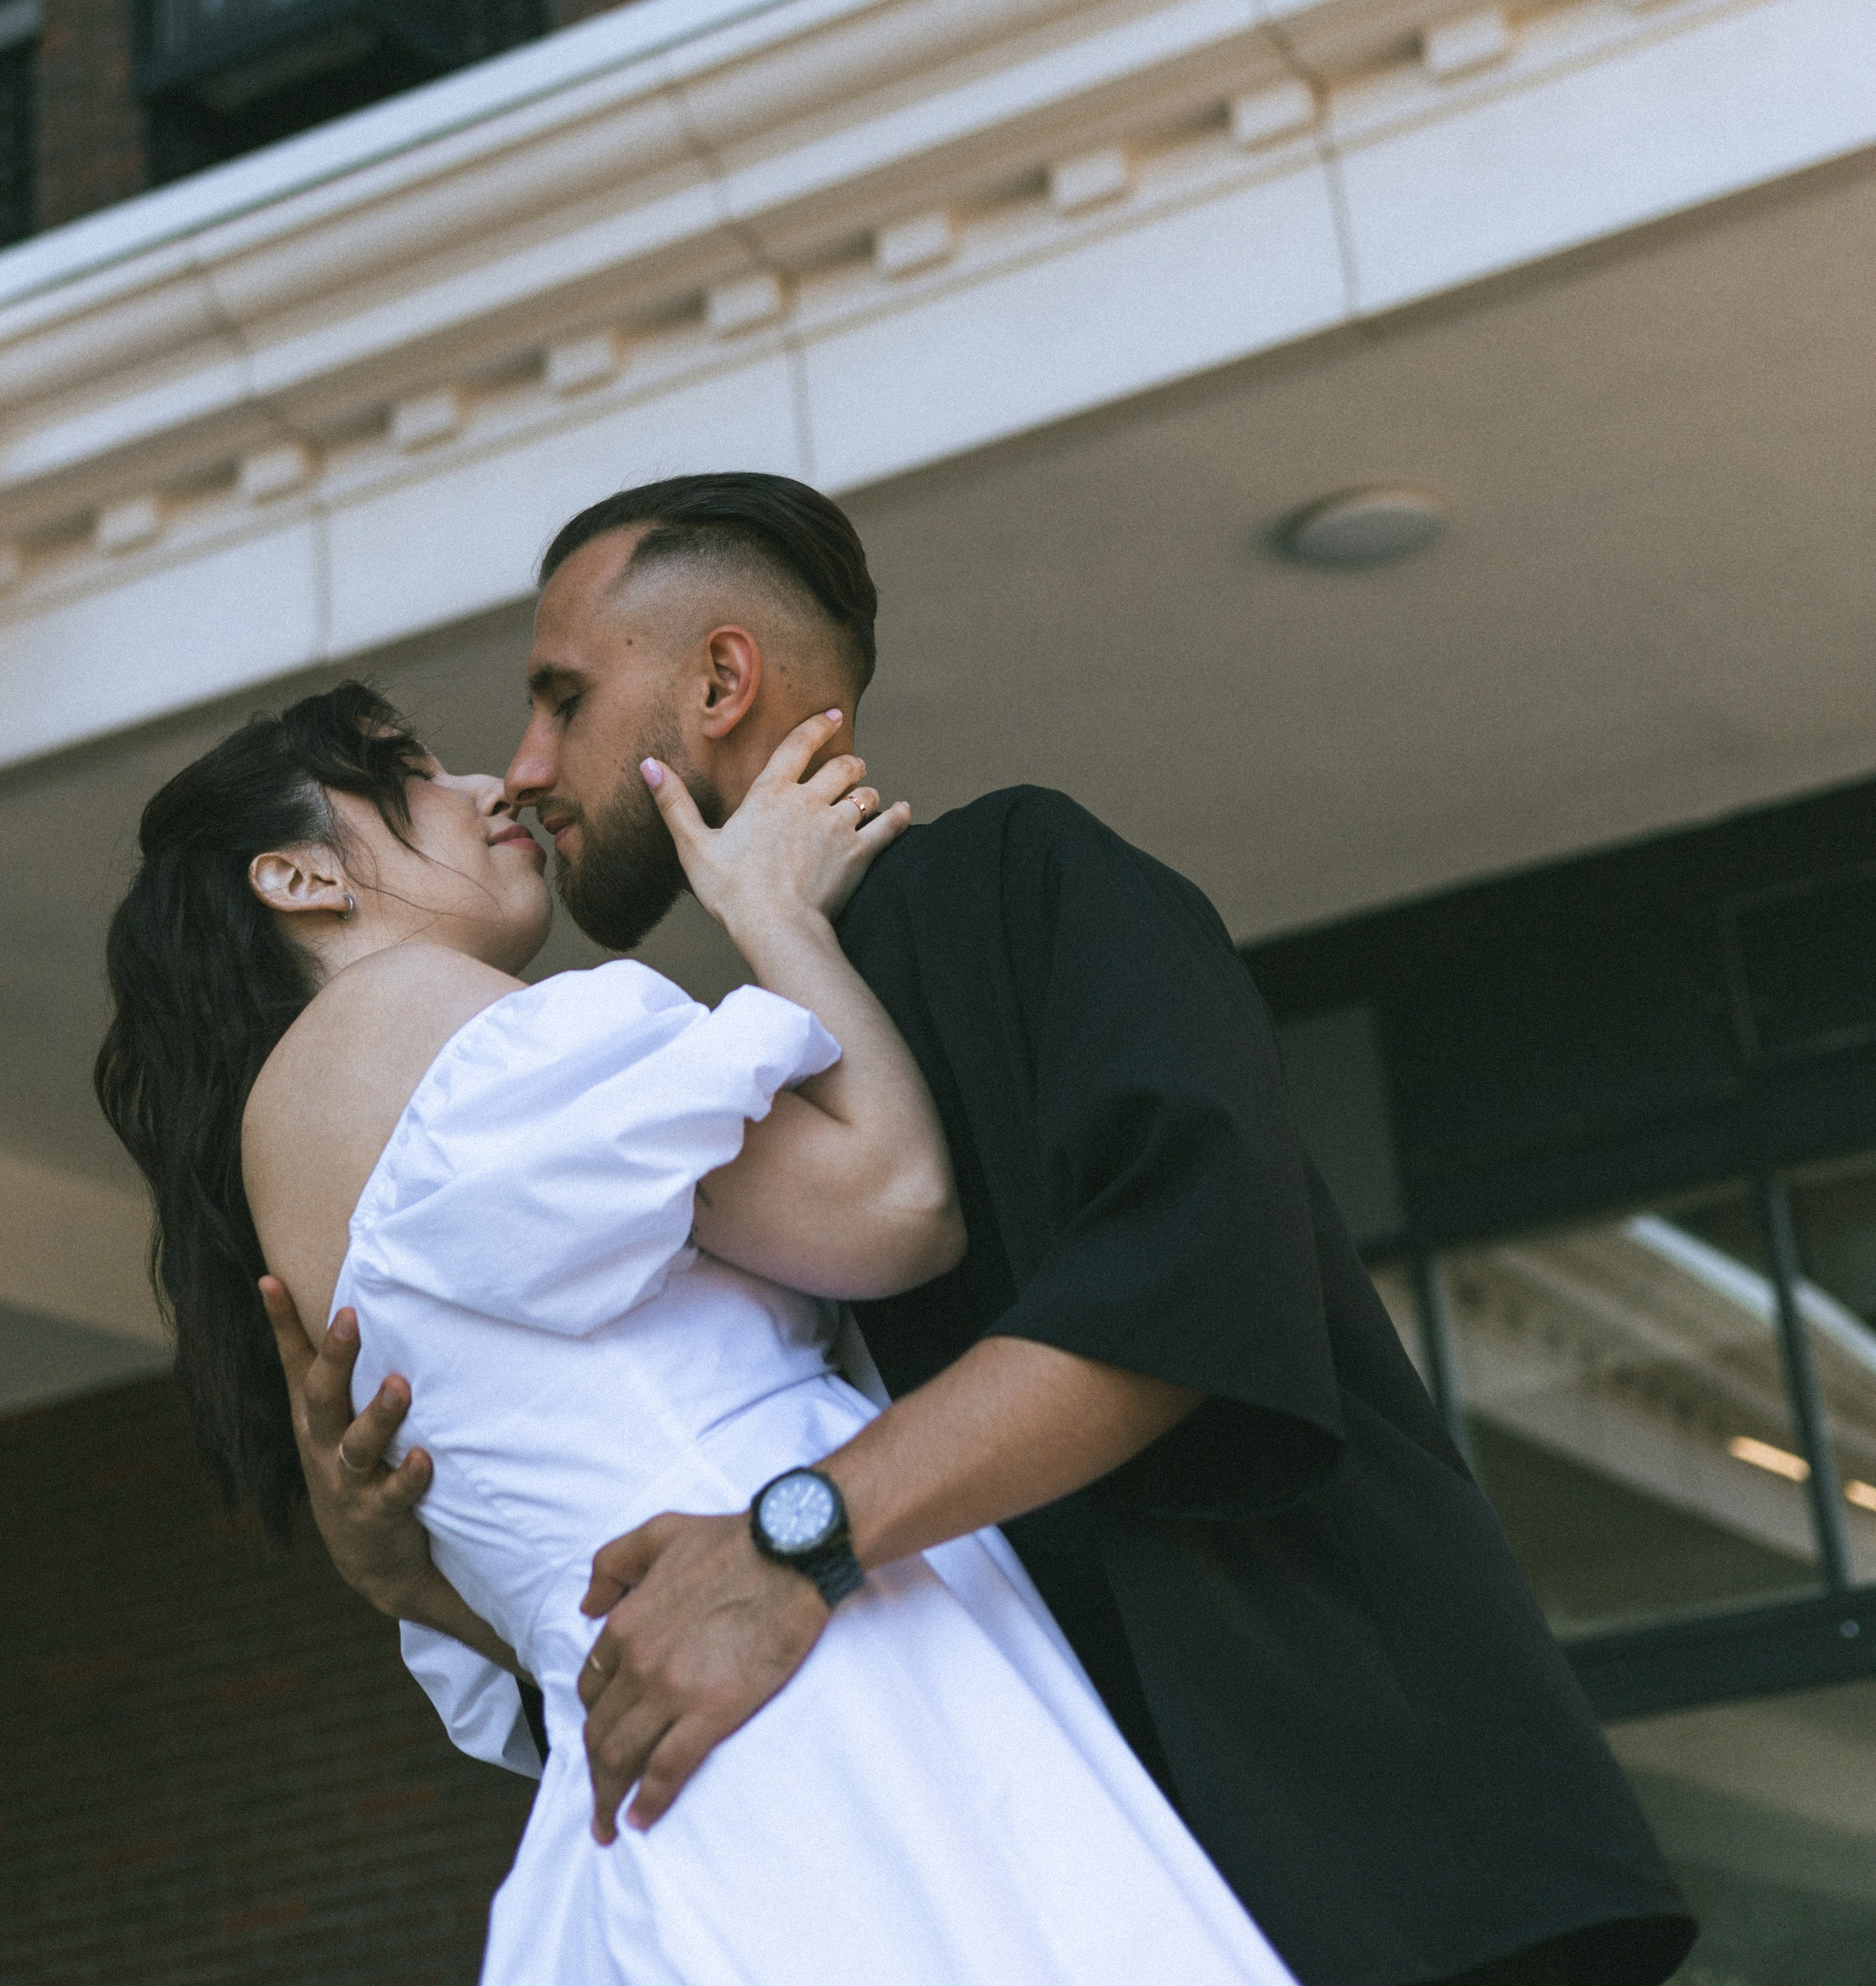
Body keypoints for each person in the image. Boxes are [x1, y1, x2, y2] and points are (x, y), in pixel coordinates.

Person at [275, 472, 1697, 1986]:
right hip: (1022, 1873)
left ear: (718, 680)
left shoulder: (1025, 876)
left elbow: (1200, 1277)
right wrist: (409, 1573)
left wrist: (797, 1537)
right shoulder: (711, 1082)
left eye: (564, 699)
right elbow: (663, 1617)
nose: (528, 766)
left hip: (1359, 1852)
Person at [95, 677, 1310, 1986]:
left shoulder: (293, 1144)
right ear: (297, 879)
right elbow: (898, 1208)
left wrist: (400, 1586)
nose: (488, 787)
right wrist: (774, 913)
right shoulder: (414, 1020)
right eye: (404, 773)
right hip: (819, 1693)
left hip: (667, 1736)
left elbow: (555, 1585)